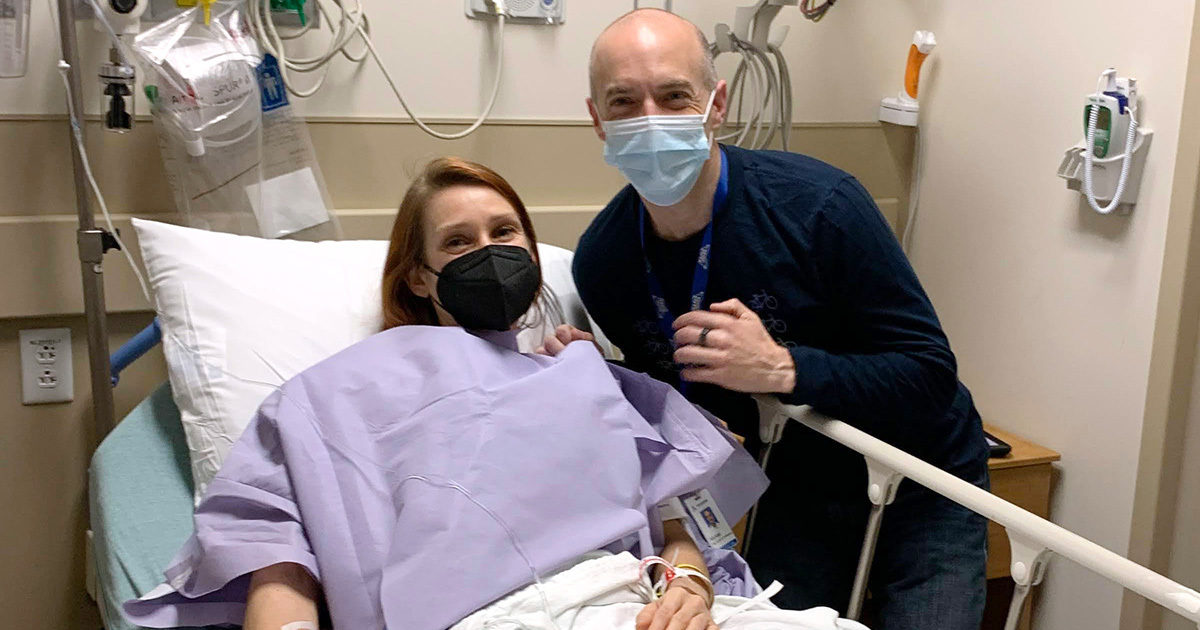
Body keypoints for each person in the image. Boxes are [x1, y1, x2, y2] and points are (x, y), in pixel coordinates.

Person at [121, 158, 865, 630]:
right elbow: (279, 563)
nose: (489, 252)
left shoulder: (582, 372)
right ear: (420, 276)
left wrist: (690, 589)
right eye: (458, 241)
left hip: (639, 604)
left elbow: (679, 528)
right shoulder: (328, 395)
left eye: (505, 232)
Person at [545, 9, 990, 629]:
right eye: (624, 101)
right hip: (795, 480)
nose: (651, 118)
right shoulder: (604, 261)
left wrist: (784, 368)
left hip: (920, 470)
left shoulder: (820, 207)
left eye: (674, 96)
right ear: (597, 119)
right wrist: (602, 378)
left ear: (716, 104)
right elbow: (673, 397)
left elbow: (929, 375)